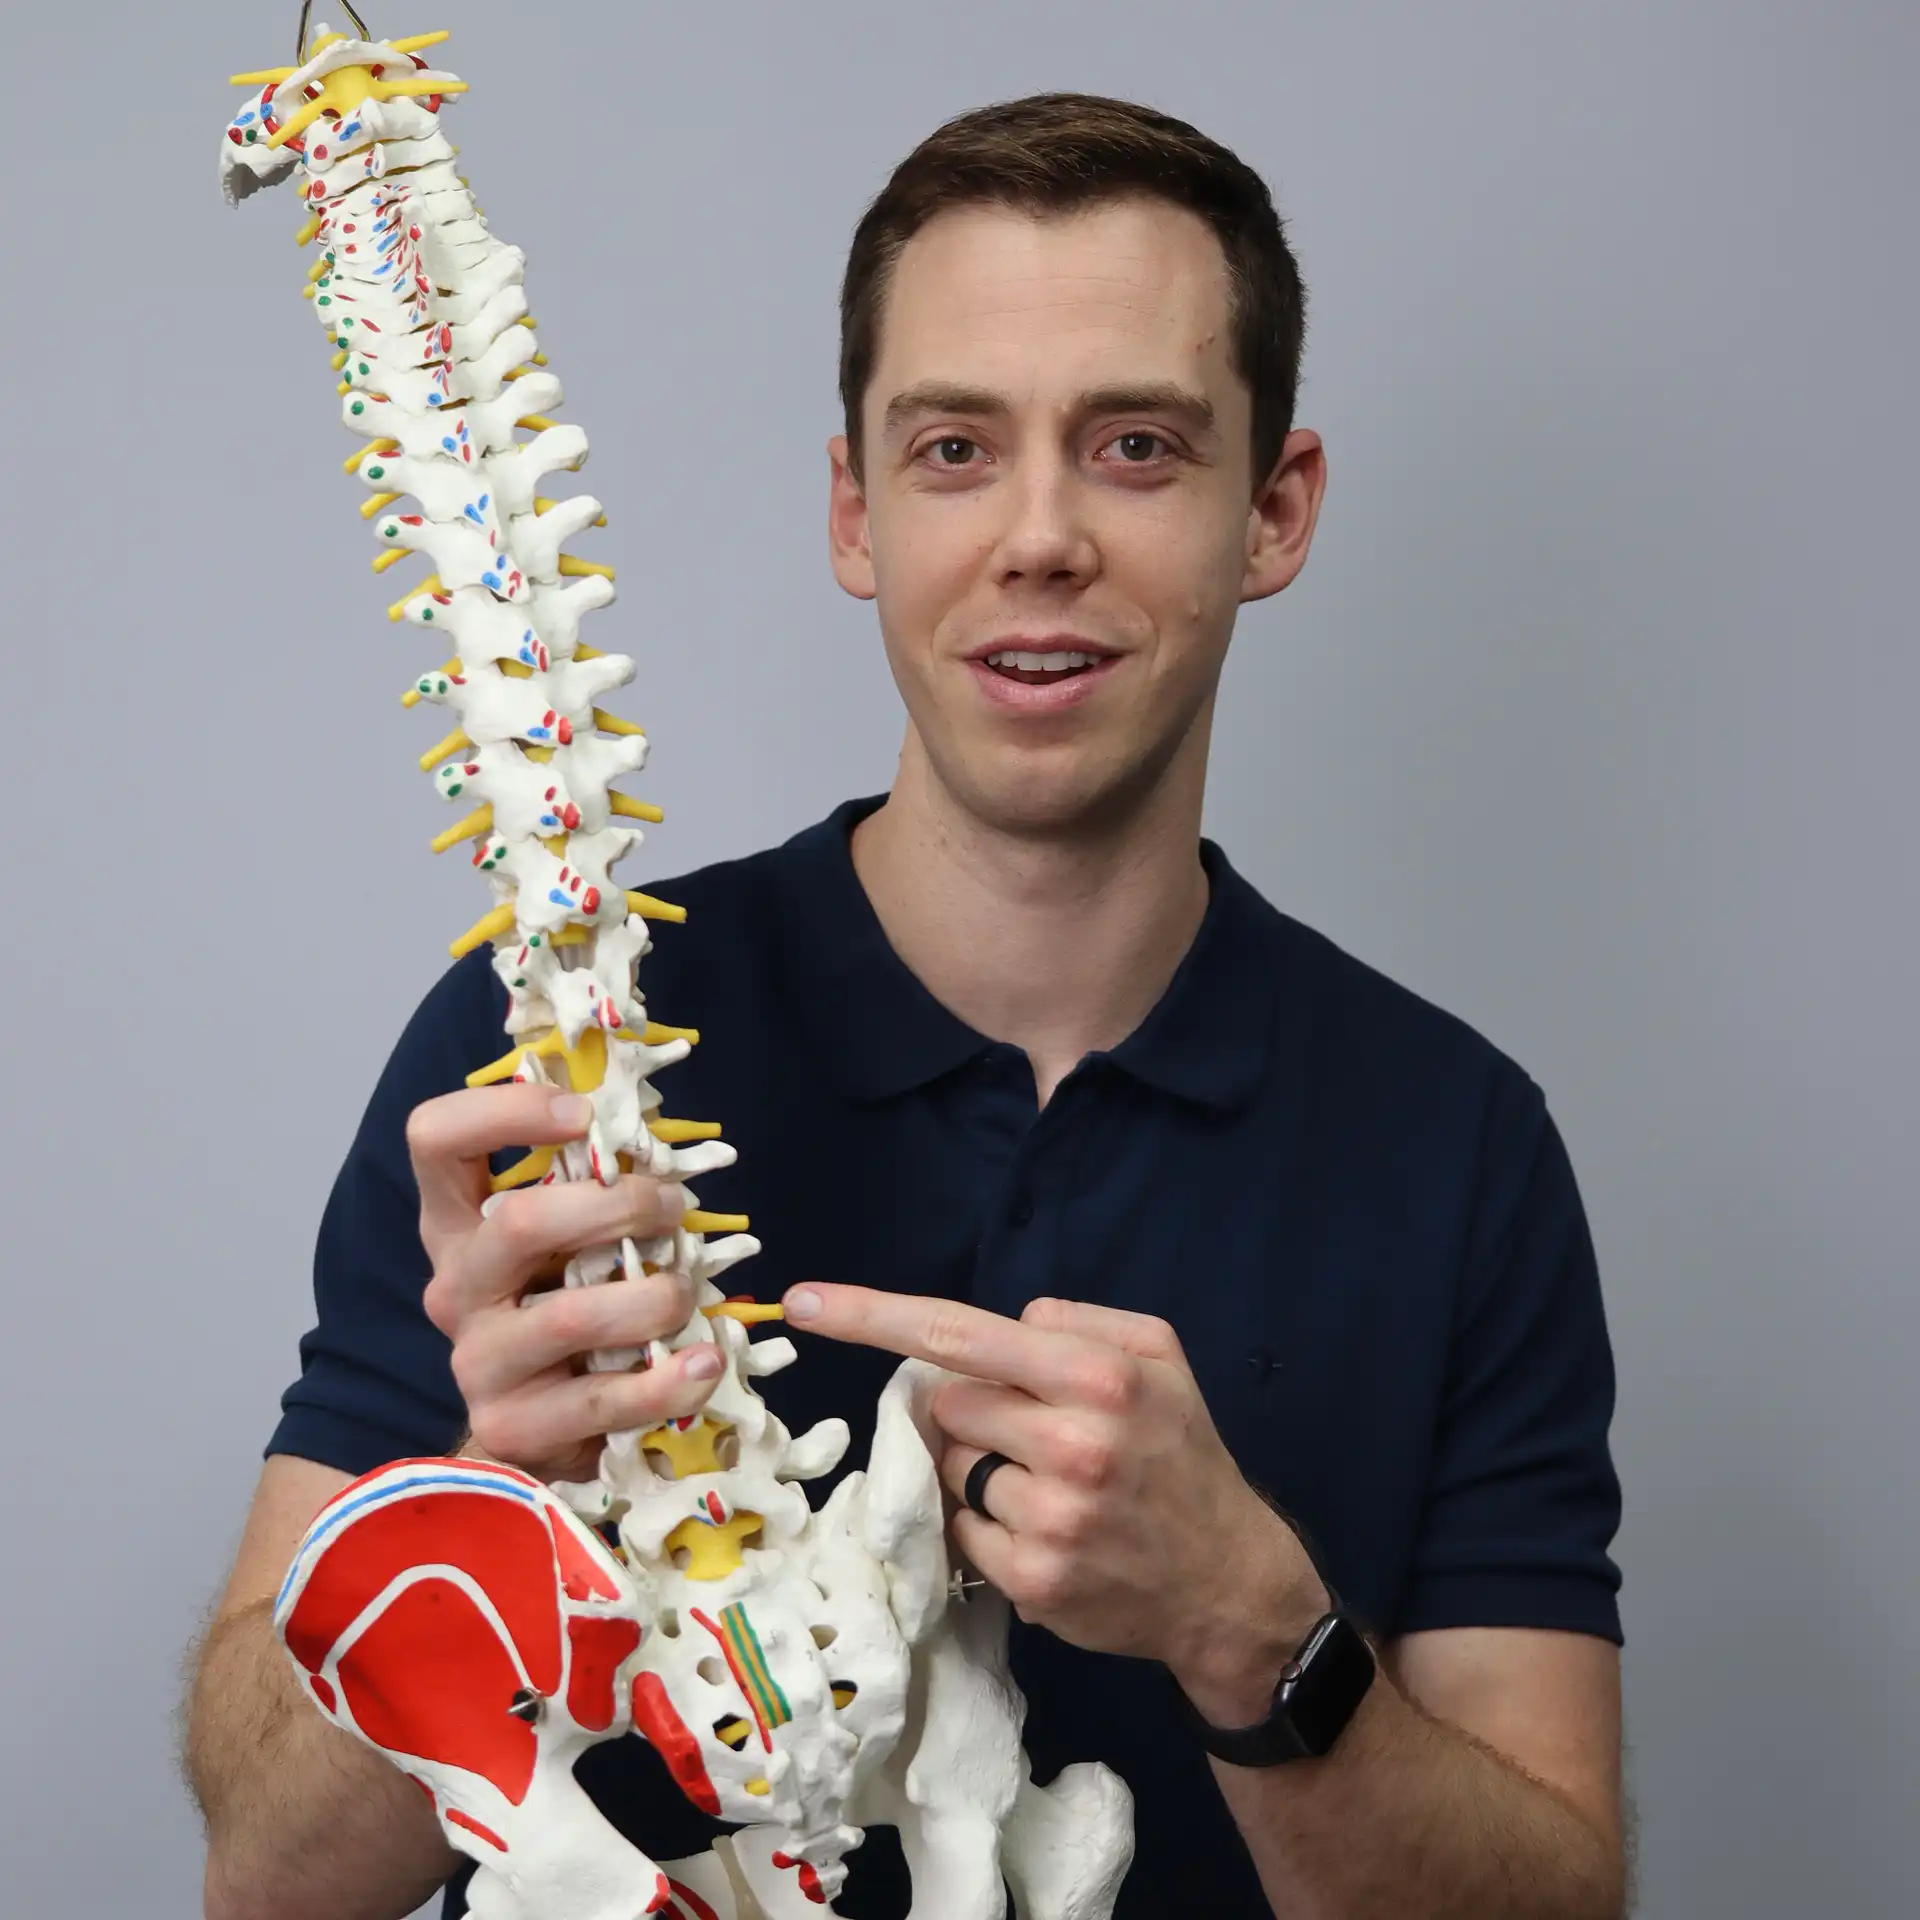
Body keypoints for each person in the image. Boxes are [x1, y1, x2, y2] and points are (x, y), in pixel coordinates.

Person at [184, 91, 1626, 1920]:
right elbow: (262, 1880)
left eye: (1134, 447)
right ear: (856, 512)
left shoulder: (1455, 1143)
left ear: (1274, 512)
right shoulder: (523, 1062)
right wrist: (491, 1495)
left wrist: (1256, 1628)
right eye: (955, 448)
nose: (1038, 537)